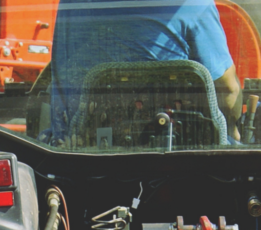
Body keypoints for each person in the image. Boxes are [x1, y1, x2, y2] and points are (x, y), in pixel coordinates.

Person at [49, 0, 242, 141]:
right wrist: (233, 130)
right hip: (175, 154)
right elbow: (228, 90)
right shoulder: (194, 5)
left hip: (84, 151)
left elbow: (63, 73)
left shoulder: (72, 4)